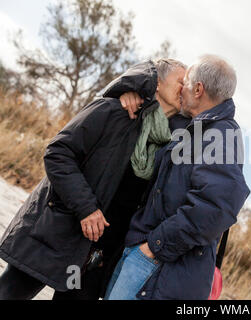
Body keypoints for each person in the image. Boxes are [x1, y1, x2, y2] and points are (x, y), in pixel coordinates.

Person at [0, 58, 189, 300]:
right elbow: (58, 154)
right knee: (10, 294)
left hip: (96, 255)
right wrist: (86, 208)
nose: (185, 88)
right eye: (180, 82)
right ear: (158, 83)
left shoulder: (169, 141)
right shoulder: (114, 111)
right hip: (58, 231)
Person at [104, 55, 250, 300]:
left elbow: (217, 207)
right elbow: (155, 90)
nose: (181, 89)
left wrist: (154, 247)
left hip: (158, 262)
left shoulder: (221, 135)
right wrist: (129, 92)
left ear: (198, 88)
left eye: (186, 82)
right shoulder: (193, 125)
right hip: (144, 253)